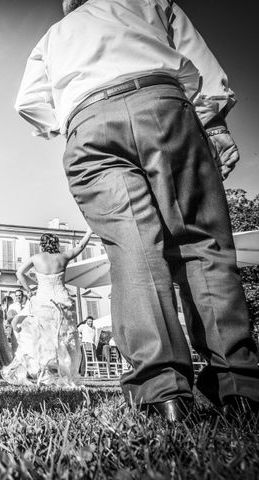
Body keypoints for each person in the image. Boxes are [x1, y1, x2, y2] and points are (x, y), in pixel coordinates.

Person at [14, 0, 259, 418]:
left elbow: (30, 102)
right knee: (201, 243)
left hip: (88, 127)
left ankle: (162, 390)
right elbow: (201, 60)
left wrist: (72, 117)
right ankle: (238, 384)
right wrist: (213, 122)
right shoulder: (149, 0)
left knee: (132, 255)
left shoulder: (52, 36)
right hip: (161, 104)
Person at [2, 229, 92, 386]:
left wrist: (30, 290)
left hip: (43, 301)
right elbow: (82, 246)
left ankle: (44, 373)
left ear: (42, 245)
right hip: (63, 302)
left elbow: (19, 273)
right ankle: (59, 373)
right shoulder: (64, 256)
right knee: (63, 338)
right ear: (56, 244)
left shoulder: (36, 258)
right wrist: (90, 230)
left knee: (42, 338)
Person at [6, 289, 28, 355]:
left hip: (26, 329)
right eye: (16, 296)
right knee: (15, 348)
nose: (18, 297)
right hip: (15, 329)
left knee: (25, 348)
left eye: (20, 295)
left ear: (22, 296)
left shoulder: (27, 305)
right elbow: (9, 319)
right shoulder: (12, 306)